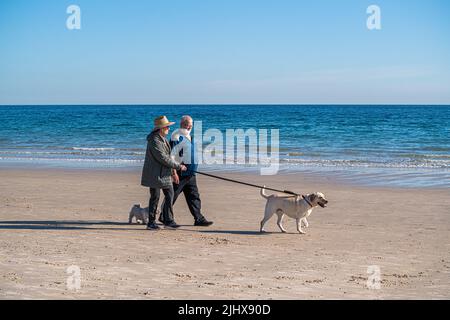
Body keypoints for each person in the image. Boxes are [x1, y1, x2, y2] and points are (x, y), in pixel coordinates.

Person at [159, 115, 213, 227]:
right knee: (172, 195)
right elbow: (171, 156)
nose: (189, 127)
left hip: (191, 174)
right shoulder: (176, 137)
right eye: (187, 125)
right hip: (180, 173)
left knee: (194, 196)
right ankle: (164, 217)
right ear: (181, 125)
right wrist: (174, 173)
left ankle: (198, 219)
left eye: (191, 126)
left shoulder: (190, 137)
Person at [141, 115, 187, 230]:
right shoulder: (154, 140)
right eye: (167, 127)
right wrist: (178, 167)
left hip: (164, 174)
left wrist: (173, 173)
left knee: (170, 194)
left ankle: (168, 220)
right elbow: (162, 158)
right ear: (161, 128)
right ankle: (151, 223)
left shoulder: (163, 139)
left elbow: (169, 157)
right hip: (154, 174)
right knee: (155, 197)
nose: (169, 129)